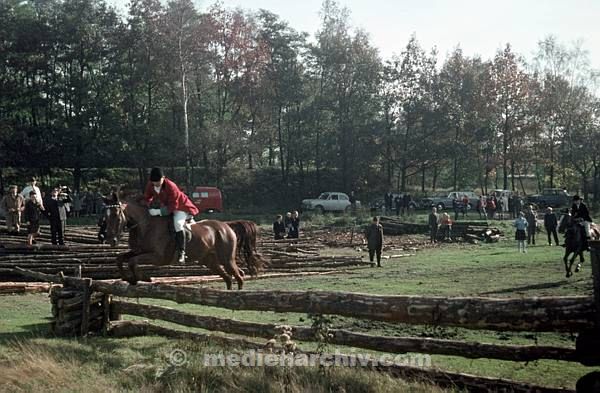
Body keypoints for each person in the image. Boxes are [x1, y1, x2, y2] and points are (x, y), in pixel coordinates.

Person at [144, 167, 199, 264]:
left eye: (158, 181)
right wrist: (148, 206)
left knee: (178, 224)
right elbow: (147, 197)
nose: (156, 184)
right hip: (167, 206)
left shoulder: (171, 186)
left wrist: (158, 212)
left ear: (163, 178)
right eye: (154, 182)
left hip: (181, 207)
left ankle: (182, 252)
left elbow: (173, 206)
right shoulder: (151, 184)